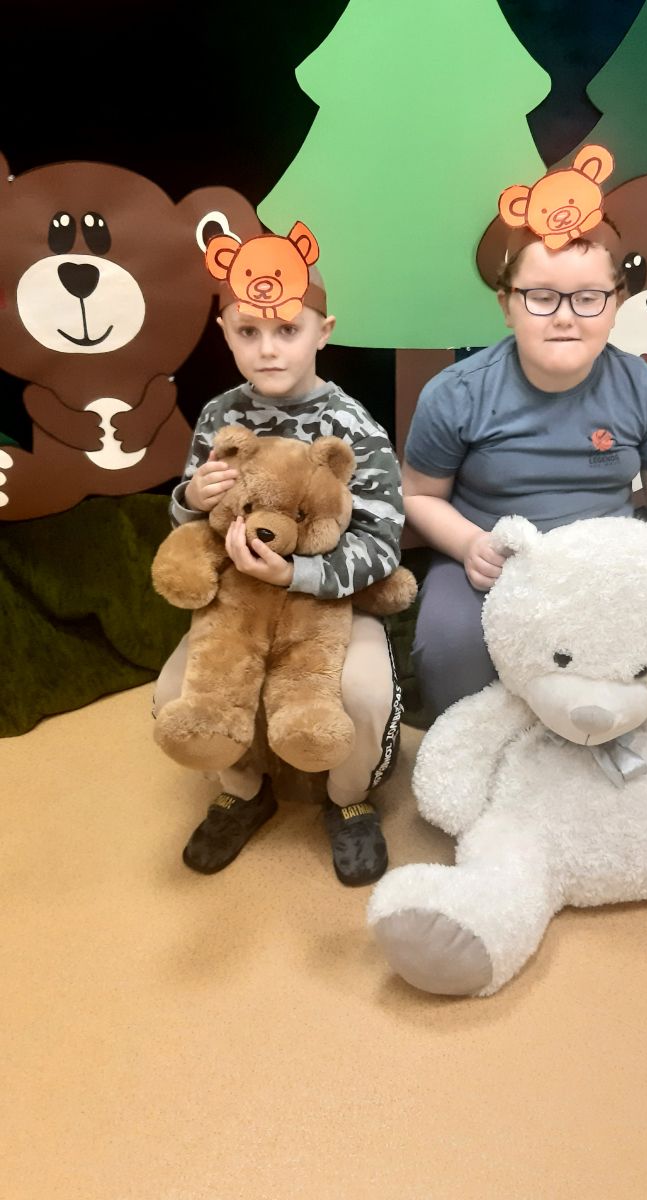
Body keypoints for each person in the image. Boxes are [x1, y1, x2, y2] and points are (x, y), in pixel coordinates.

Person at [404, 221, 647, 721]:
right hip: (497, 562)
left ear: (616, 304)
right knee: (450, 648)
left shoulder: (643, 390)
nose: (564, 317)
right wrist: (469, 545)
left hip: (605, 560)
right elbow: (418, 494)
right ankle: (490, 736)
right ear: (507, 306)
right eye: (541, 298)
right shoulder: (456, 393)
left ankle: (631, 727)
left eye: (588, 298)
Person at [153, 257, 404, 886]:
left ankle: (349, 798)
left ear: (323, 332)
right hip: (238, 606)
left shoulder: (353, 426)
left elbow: (382, 544)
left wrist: (296, 575)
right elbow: (191, 521)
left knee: (364, 693)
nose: (267, 349)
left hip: (327, 606)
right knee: (174, 692)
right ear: (225, 333)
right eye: (249, 332)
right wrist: (192, 498)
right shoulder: (219, 415)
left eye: (287, 330)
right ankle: (244, 789)